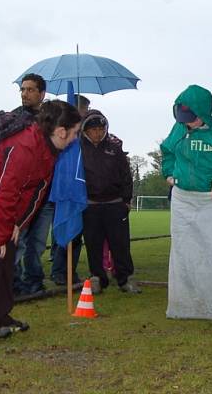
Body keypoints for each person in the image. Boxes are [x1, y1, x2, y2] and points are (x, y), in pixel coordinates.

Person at [0, 100, 81, 339]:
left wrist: (17, 223)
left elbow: (36, 189)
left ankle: (1, 315)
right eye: (74, 133)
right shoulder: (25, 145)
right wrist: (2, 232)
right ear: (62, 131)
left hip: (0, 201)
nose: (75, 139)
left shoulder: (49, 149)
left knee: (7, 257)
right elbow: (6, 190)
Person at [162, 84, 212, 320]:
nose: (188, 123)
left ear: (204, 112)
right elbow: (167, 151)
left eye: (192, 118)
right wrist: (169, 173)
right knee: (182, 252)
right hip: (183, 198)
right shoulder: (179, 129)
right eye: (184, 118)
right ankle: (182, 307)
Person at [79, 110, 139, 294]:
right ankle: (97, 277)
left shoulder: (115, 148)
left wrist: (126, 200)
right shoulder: (77, 150)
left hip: (115, 204)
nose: (97, 133)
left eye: (100, 128)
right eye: (93, 129)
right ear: (85, 131)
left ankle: (125, 278)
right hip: (90, 205)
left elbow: (126, 176)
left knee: (120, 244)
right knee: (93, 244)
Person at [12, 73, 54, 296]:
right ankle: (14, 282)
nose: (25, 94)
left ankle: (34, 279)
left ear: (41, 93)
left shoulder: (51, 120)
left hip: (45, 193)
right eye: (23, 89)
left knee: (37, 243)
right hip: (22, 192)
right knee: (18, 240)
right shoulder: (15, 119)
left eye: (29, 89)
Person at [49, 93, 90, 286]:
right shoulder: (65, 137)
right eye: (84, 109)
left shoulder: (82, 136)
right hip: (65, 192)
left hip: (78, 192)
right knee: (63, 233)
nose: (86, 113)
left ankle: (69, 272)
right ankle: (58, 272)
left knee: (76, 235)